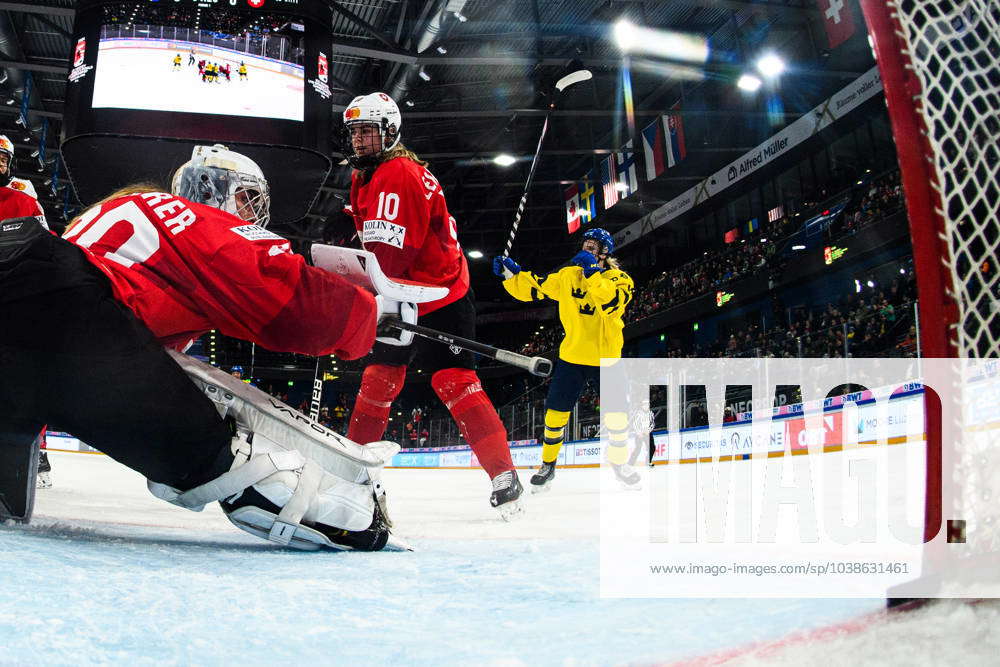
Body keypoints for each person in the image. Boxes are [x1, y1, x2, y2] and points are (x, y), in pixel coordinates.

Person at [0, 144, 399, 550]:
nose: (251, 212)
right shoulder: (187, 216)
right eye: (246, 197)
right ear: (212, 188)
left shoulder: (115, 219)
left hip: (27, 300)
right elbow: (279, 291)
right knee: (224, 462)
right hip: (68, 318)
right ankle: (352, 521)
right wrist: (370, 314)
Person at [340, 91, 523, 519]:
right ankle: (351, 472)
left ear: (389, 132)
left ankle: (503, 475)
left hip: (440, 293)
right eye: (354, 132)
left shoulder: (396, 174)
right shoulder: (366, 175)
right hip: (402, 285)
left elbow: (389, 257)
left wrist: (363, 296)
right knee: (379, 377)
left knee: (454, 381)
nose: (359, 140)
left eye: (367, 131)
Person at [493, 227, 636, 491]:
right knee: (554, 416)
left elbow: (609, 304)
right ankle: (548, 465)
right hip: (572, 357)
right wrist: (511, 274)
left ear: (605, 253)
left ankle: (620, 464)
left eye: (593, 247)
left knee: (617, 417)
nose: (586, 250)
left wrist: (592, 273)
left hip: (607, 359)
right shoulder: (568, 275)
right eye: (585, 245)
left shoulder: (621, 280)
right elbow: (536, 287)